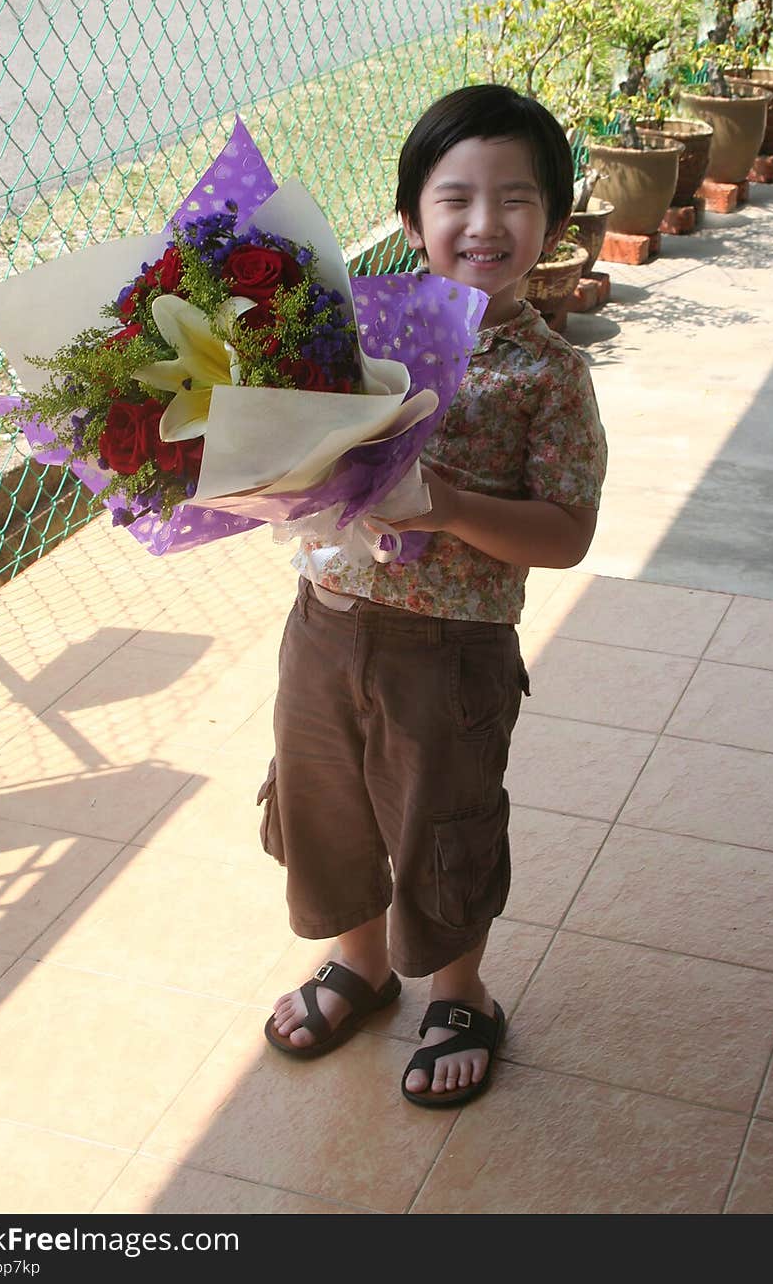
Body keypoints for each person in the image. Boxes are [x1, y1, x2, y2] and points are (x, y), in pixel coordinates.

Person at [257, 82, 607, 1108]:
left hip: (451, 652)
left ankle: (462, 992)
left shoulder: (547, 374)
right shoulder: (342, 339)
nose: (484, 222)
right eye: (455, 196)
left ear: (551, 221)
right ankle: (360, 967)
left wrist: (444, 503)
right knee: (323, 805)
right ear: (411, 219)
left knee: (441, 823)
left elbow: (567, 532)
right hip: (321, 622)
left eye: (516, 198)